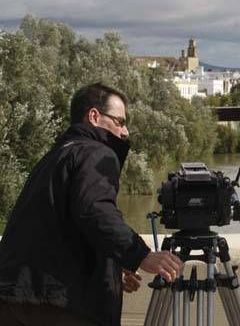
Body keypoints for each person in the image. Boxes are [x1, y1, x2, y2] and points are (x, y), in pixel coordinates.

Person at [0, 83, 183, 326]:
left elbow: (62, 229)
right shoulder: (96, 152)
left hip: (16, 298)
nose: (125, 131)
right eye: (119, 121)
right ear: (94, 116)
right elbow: (95, 212)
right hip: (60, 305)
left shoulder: (57, 155)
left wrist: (113, 267)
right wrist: (142, 256)